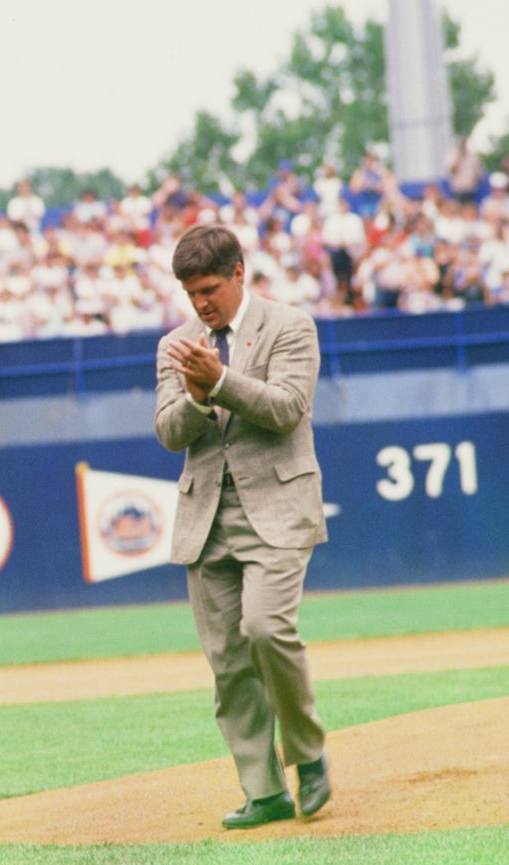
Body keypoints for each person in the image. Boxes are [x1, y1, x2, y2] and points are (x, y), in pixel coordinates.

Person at [154, 224, 330, 830]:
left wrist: (219, 381)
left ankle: (307, 754)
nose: (201, 303)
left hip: (279, 510)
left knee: (264, 628)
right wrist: (199, 398)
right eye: (190, 292)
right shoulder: (175, 343)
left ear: (238, 274)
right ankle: (265, 791)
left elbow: (287, 409)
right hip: (206, 517)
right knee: (227, 660)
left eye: (208, 288)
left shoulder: (291, 326)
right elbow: (168, 431)